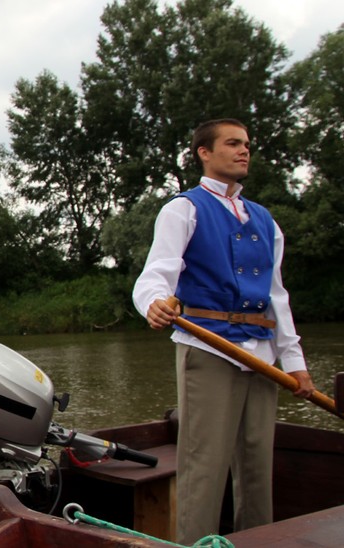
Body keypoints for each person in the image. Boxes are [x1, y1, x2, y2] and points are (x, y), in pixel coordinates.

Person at [133, 118, 314, 543]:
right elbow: (155, 275)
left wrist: (297, 365)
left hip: (263, 358)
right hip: (208, 348)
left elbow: (277, 297)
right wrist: (155, 304)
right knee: (205, 467)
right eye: (233, 143)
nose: (243, 150)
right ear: (204, 152)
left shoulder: (267, 221)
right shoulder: (185, 208)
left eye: (247, 144)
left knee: (257, 468)